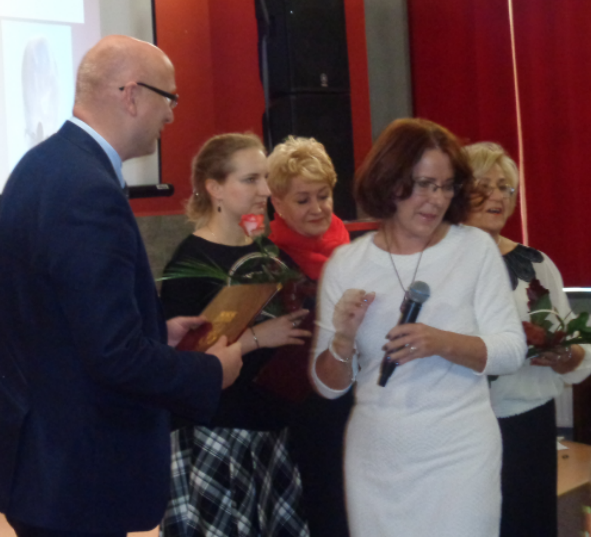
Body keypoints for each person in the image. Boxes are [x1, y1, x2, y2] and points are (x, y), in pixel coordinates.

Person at [0, 36, 243, 537]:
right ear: (131, 94)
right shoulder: (87, 188)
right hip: (72, 469)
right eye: (168, 98)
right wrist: (210, 371)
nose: (171, 114)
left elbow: (64, 318)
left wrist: (156, 332)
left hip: (44, 458)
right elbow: (112, 353)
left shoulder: (44, 163)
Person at [310, 118, 526, 537]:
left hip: (460, 454)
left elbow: (510, 351)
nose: (436, 199)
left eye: (446, 187)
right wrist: (343, 339)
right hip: (377, 457)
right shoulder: (347, 264)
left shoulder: (474, 249)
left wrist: (440, 342)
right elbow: (329, 387)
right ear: (390, 181)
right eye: (424, 185)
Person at [159, 133, 311, 537]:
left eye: (265, 178)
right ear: (215, 188)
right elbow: (185, 363)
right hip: (216, 432)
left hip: (272, 426)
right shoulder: (189, 264)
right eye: (250, 180)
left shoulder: (271, 255)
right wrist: (258, 337)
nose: (265, 191)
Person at [464, 141, 591, 537]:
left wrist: (565, 354)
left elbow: (575, 347)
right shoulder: (439, 265)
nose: (499, 196)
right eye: (485, 185)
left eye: (506, 188)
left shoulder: (537, 264)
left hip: (528, 424)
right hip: (462, 426)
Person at [266, 136, 352, 537]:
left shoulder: (354, 252)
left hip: (355, 402)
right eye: (303, 200)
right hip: (300, 415)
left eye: (324, 195)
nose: (317, 208)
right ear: (278, 203)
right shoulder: (266, 261)